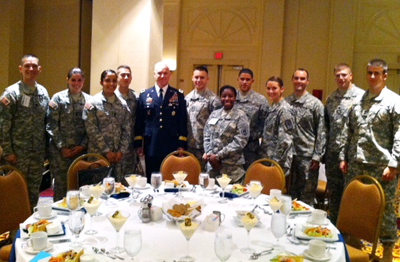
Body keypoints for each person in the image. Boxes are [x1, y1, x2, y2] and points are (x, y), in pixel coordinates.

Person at [339, 59, 399, 261]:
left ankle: (388, 250)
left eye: (376, 73)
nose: (372, 77)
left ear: (384, 75)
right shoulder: (359, 100)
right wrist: (344, 157)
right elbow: (349, 131)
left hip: (381, 166)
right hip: (356, 163)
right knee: (355, 205)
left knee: (385, 209)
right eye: (369, 73)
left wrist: (394, 164)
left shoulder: (393, 101)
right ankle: (355, 246)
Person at [0, 54, 50, 207]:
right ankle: (13, 229)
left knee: (33, 193)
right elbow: (3, 125)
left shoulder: (43, 93)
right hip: (17, 154)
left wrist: (46, 151)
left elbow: (46, 123)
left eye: (34, 66)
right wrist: (8, 152)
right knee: (14, 194)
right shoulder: (11, 93)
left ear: (39, 69)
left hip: (36, 155)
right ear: (20, 69)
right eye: (27, 66)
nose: (31, 69)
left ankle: (30, 227)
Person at [324, 63, 364, 225]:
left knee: (352, 193)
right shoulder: (331, 98)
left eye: (344, 75)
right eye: (338, 75)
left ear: (351, 76)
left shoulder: (361, 97)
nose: (341, 78)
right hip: (333, 154)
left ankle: (351, 230)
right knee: (334, 192)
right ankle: (334, 226)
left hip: (351, 154)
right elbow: (326, 127)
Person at [134, 62, 188, 181]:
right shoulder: (144, 95)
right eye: (159, 73)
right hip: (151, 145)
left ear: (169, 76)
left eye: (165, 73)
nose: (162, 76)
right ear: (154, 75)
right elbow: (139, 121)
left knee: (170, 179)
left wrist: (181, 144)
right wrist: (138, 144)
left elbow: (182, 121)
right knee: (152, 179)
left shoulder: (177, 95)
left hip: (171, 144)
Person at [47, 68, 92, 201]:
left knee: (80, 188)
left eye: (79, 80)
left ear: (83, 81)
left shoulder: (89, 101)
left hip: (80, 152)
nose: (76, 83)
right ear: (67, 80)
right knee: (61, 188)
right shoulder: (58, 99)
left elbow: (90, 127)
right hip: (60, 153)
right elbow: (51, 125)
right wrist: (62, 147)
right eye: (73, 80)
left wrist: (82, 146)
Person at [285, 68, 326, 205]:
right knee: (290, 194)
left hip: (307, 157)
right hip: (290, 156)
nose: (299, 81)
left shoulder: (315, 104)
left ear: (308, 81)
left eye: (302, 79)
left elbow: (321, 131)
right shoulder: (286, 102)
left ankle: (307, 225)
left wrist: (317, 156)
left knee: (307, 195)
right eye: (296, 78)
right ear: (292, 80)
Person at [83, 69, 131, 182]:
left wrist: (121, 151)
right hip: (98, 156)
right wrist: (106, 151)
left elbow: (127, 130)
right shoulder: (92, 103)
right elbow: (91, 130)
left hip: (118, 158)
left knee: (119, 191)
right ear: (101, 82)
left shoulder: (122, 104)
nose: (111, 84)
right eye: (107, 80)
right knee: (98, 191)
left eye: (114, 81)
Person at [203, 85, 250, 183]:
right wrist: (209, 153)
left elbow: (240, 141)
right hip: (213, 168)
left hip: (232, 169)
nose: (227, 99)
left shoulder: (241, 116)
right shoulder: (214, 114)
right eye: (224, 96)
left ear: (235, 98)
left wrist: (218, 156)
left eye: (230, 96)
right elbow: (206, 134)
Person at [260, 76, 295, 191]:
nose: (271, 91)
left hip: (278, 162)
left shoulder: (284, 109)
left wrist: (275, 164)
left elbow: (285, 140)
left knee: (274, 195)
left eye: (274, 88)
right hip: (268, 158)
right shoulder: (273, 107)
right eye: (268, 88)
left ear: (282, 89)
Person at [185, 66, 221, 170]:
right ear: (192, 78)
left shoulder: (213, 100)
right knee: (189, 175)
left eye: (202, 77)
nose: (198, 80)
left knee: (204, 178)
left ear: (207, 79)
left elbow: (217, 127)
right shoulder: (187, 98)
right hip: (189, 146)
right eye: (196, 77)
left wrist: (210, 149)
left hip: (205, 148)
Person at [235, 68, 268, 169]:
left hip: (251, 149)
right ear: (238, 79)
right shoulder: (230, 97)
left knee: (250, 179)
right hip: (233, 148)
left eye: (248, 79)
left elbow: (265, 126)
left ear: (252, 81)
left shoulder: (260, 100)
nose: (244, 82)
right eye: (242, 79)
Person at [115, 65, 139, 176]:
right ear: (117, 77)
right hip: (113, 146)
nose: (126, 77)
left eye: (128, 75)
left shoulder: (136, 97)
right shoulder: (111, 96)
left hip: (130, 148)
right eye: (122, 75)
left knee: (129, 180)